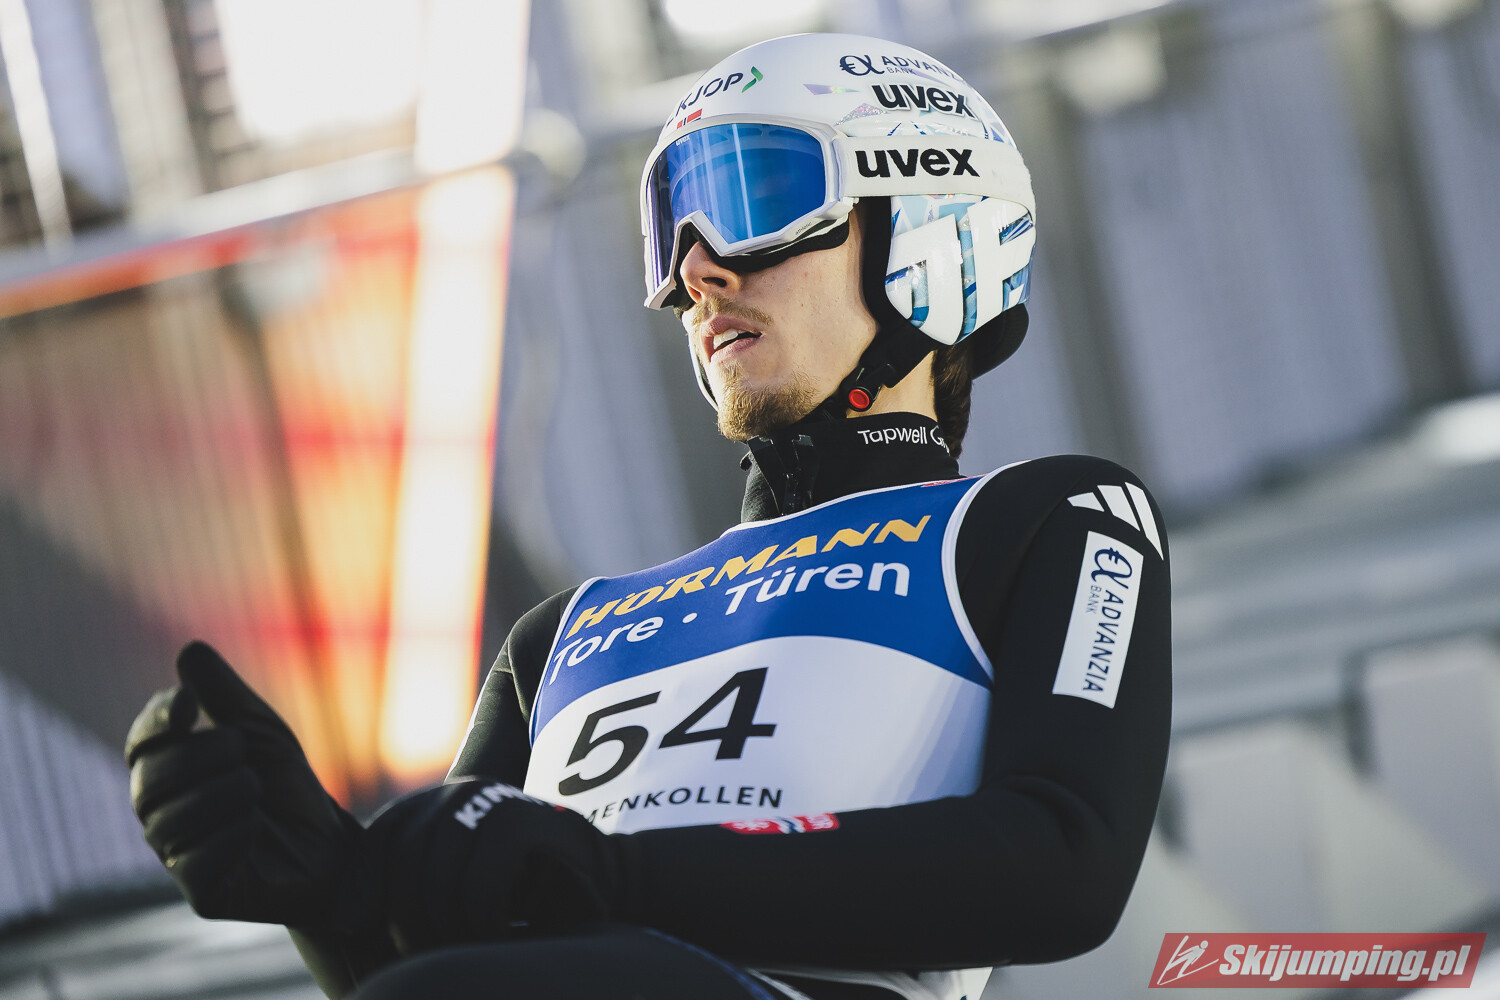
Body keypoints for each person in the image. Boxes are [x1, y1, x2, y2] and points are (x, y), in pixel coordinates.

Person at [125, 32, 1171, 1000]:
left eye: (756, 198)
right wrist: (328, 887)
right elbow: (436, 968)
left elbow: (1064, 857)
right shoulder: (559, 633)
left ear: (928, 231)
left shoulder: (1053, 516)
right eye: (672, 224)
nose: (696, 270)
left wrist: (612, 875)